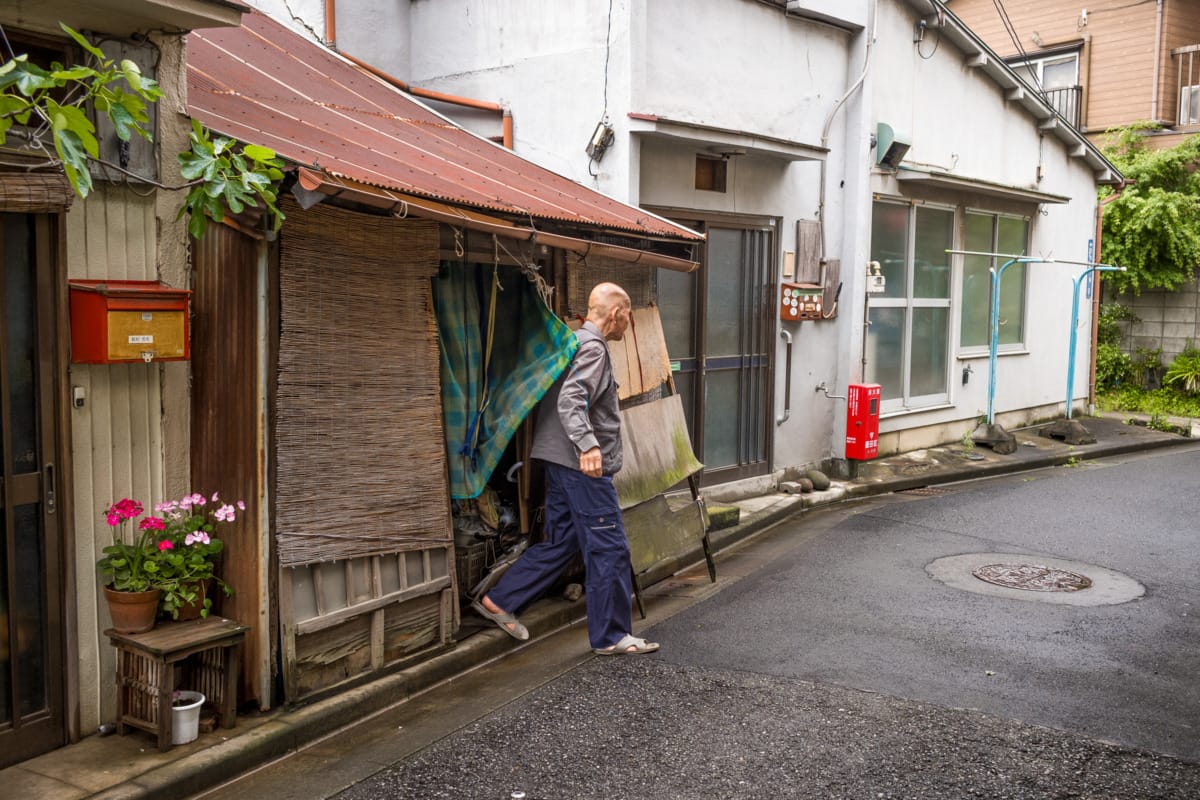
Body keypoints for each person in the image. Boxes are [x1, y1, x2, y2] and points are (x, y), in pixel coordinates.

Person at [472, 282, 659, 656]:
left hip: (557, 462)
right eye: (628, 316)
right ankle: (611, 636)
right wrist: (589, 446)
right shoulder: (594, 349)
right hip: (581, 466)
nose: (629, 324)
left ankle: (500, 599)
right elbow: (573, 400)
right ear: (616, 313)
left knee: (562, 542)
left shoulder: (572, 342)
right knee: (609, 547)